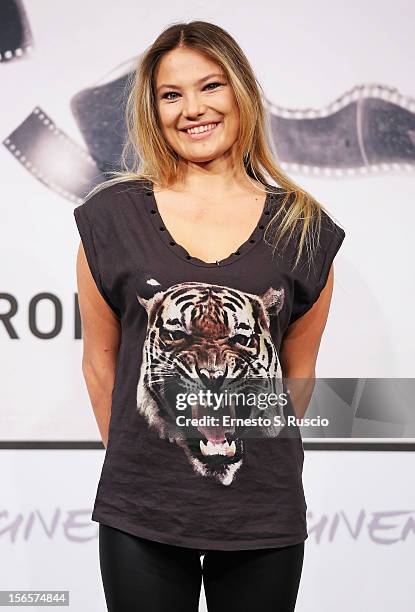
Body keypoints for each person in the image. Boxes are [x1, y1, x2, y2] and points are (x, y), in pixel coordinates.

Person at [74, 20, 346, 612]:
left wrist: (233, 433)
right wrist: (150, 454)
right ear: (153, 108)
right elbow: (99, 363)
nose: (192, 109)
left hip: (261, 511)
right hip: (140, 507)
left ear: (241, 93)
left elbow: (295, 376)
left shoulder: (302, 225)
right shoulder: (111, 217)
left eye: (211, 87)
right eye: (171, 95)